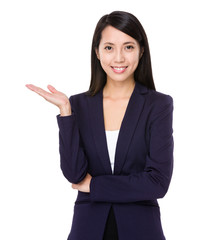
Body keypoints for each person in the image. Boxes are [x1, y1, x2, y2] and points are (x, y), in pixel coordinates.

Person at [26, 11, 173, 240]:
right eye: (109, 47)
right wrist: (66, 112)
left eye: (128, 47)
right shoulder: (78, 105)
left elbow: (157, 183)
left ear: (141, 50)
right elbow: (74, 175)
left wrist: (95, 186)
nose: (119, 58)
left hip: (141, 230)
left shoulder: (158, 105)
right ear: (97, 52)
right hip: (87, 230)